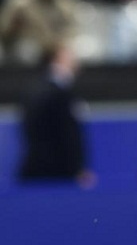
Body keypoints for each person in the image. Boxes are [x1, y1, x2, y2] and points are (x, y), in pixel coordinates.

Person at [18, 43, 94, 186]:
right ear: (58, 59)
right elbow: (66, 134)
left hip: (38, 171)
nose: (75, 60)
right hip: (56, 175)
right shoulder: (57, 94)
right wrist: (76, 169)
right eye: (69, 55)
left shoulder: (35, 89)